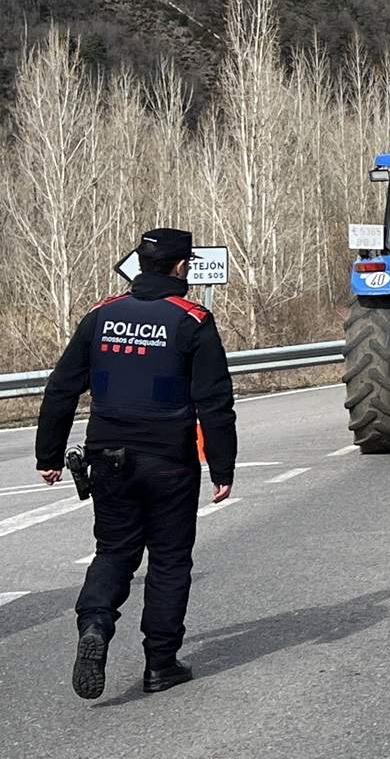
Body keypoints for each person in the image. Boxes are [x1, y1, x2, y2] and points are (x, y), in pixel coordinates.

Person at [35, 228, 236, 699]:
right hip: (169, 461)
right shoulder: (192, 320)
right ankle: (160, 665)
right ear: (181, 267)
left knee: (114, 551)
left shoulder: (100, 315)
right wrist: (222, 468)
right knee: (169, 560)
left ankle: (96, 625)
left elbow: (62, 387)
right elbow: (214, 403)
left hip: (108, 457)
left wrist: (49, 455)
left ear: (140, 264)